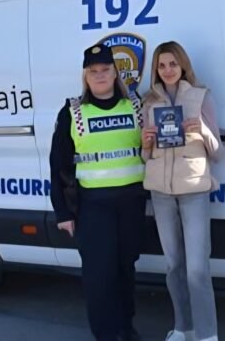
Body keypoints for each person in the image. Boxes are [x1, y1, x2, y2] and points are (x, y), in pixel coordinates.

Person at [50, 43, 147, 341]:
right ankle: (106, 334)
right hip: (93, 207)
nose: (100, 75)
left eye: (105, 69)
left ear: (115, 73)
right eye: (93, 71)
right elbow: (58, 164)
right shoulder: (73, 112)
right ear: (85, 76)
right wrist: (63, 212)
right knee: (99, 275)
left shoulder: (136, 106)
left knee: (126, 269)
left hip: (131, 204)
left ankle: (125, 329)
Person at [140, 41, 221, 341]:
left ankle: (207, 334)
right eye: (162, 65)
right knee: (174, 266)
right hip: (161, 193)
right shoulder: (149, 102)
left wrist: (201, 131)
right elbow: (145, 157)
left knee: (197, 269)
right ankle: (183, 328)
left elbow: (217, 151)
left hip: (194, 190)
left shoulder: (201, 96)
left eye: (173, 64)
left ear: (183, 65)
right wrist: (146, 143)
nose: (168, 70)